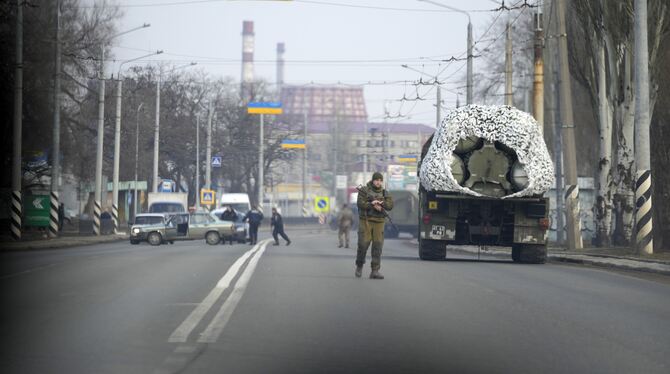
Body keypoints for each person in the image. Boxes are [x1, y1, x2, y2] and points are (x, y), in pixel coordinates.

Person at [356, 172, 393, 279]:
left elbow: (390, 205)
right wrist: (371, 205)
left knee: (378, 246)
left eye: (380, 180)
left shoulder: (385, 192)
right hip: (366, 220)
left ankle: (375, 270)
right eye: (376, 180)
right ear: (373, 180)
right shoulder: (364, 190)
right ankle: (359, 265)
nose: (378, 182)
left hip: (379, 222)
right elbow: (360, 203)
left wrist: (381, 204)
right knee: (363, 245)